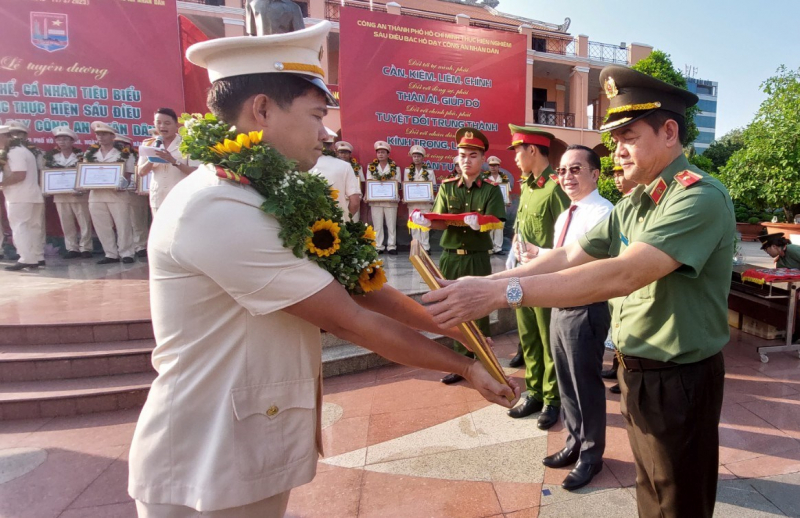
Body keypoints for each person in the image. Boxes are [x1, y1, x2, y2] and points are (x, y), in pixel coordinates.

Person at [128, 21, 518, 518]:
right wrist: (465, 367)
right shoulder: (216, 206)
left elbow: (361, 285)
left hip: (244, 440)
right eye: (316, 115)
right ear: (262, 109)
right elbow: (348, 318)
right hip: (206, 460)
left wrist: (468, 338)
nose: (327, 133)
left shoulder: (264, 193)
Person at [423, 64, 733, 518]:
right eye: (616, 140)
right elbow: (568, 255)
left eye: (629, 136)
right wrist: (481, 284)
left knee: (678, 500)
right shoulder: (634, 202)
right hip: (637, 371)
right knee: (652, 490)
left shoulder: (696, 197)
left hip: (680, 377)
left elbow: (624, 274)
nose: (619, 151)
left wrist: (503, 296)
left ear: (669, 131)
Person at [536, 145, 613, 490]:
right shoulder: (566, 213)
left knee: (585, 384)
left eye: (576, 169)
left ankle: (592, 456)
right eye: (563, 170)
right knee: (566, 382)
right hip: (560, 303)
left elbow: (581, 262)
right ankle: (574, 442)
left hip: (586, 306)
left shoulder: (603, 212)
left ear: (595, 174)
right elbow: (559, 257)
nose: (567, 176)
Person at [410, 127, 506, 384]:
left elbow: (497, 220)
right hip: (451, 256)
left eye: (473, 155)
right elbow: (442, 220)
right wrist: (427, 223)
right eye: (462, 155)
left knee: (480, 310)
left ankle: (484, 363)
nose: (467, 160)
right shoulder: (448, 187)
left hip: (476, 257)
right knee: (452, 310)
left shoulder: (490, 190)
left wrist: (481, 223)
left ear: (482, 159)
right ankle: (461, 363)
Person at [506, 125, 570, 427]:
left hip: (546, 278)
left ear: (532, 150)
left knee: (548, 340)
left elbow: (567, 240)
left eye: (517, 150)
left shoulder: (555, 188)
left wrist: (540, 252)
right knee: (529, 337)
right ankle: (534, 392)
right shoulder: (529, 186)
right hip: (522, 277)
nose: (515, 157)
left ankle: (552, 398)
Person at [603, 158, 637, 394]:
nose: (617, 179)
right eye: (614, 175)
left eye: (620, 174)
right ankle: (617, 367)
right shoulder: (622, 203)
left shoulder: (637, 203)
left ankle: (623, 372)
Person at [84, 122, 136, 264]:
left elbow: (128, 175)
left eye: (104, 134)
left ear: (112, 136)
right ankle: (110, 253)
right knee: (102, 225)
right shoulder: (90, 153)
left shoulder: (125, 154)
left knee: (123, 225)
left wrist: (121, 185)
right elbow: (85, 174)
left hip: (117, 195)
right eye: (98, 134)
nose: (101, 137)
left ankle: (127, 253)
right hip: (96, 195)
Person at [137, 108, 198, 218]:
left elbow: (195, 172)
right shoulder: (149, 144)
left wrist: (173, 161)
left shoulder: (188, 143)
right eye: (158, 123)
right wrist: (152, 160)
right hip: (158, 198)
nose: (162, 127)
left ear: (176, 125)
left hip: (180, 196)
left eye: (167, 123)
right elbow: (141, 172)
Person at [1, 125, 45, 271]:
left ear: (5, 137)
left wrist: (1, 183)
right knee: (33, 227)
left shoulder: (14, 152)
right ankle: (36, 257)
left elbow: (19, 174)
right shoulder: (23, 150)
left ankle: (26, 258)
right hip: (31, 195)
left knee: (20, 227)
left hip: (19, 196)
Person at [45, 126, 93, 259]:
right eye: (59, 140)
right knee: (66, 223)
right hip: (60, 196)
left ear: (72, 141)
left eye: (65, 139)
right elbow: (46, 176)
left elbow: (86, 174)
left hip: (79, 195)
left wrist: (83, 188)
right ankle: (72, 248)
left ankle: (86, 248)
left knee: (84, 222)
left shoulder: (81, 156)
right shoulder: (52, 157)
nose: (62, 142)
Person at [117, 135, 150, 259]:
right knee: (125, 222)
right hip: (118, 194)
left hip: (135, 192)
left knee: (138, 220)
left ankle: (141, 246)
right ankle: (127, 248)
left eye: (122, 145)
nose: (120, 147)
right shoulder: (113, 157)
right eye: (117, 144)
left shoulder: (136, 156)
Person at [366, 141, 400, 255]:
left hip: (391, 200)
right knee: (377, 225)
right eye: (379, 152)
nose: (380, 154)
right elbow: (369, 183)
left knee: (391, 225)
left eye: (383, 152)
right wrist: (367, 196)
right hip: (376, 201)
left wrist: (394, 194)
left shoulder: (395, 167)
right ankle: (378, 246)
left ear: (388, 154)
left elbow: (397, 183)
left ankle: (391, 246)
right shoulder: (371, 167)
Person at [403, 145, 436, 252]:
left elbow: (433, 186)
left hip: (426, 203)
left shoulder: (429, 172)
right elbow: (405, 186)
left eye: (418, 156)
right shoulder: (408, 171)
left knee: (425, 225)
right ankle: (416, 247)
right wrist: (406, 198)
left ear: (422, 158)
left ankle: (426, 247)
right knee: (414, 226)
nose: (416, 158)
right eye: (414, 156)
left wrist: (431, 197)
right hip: (413, 203)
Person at [312, 152, 361, 222]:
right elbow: (355, 202)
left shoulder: (305, 165)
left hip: (311, 221)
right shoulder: (345, 165)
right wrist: (346, 219)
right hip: (338, 220)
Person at [484, 156, 510, 255]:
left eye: (495, 165)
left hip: (501, 206)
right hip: (489, 205)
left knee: (499, 227)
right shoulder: (485, 178)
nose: (493, 167)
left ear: (498, 166)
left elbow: (507, 191)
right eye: (491, 165)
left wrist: (508, 200)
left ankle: (498, 248)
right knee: (489, 226)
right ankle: (489, 247)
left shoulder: (504, 177)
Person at [335, 141, 364, 222]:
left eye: (346, 153)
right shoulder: (334, 167)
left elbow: (361, 183)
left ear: (350, 154)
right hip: (339, 200)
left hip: (352, 201)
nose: (343, 155)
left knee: (353, 223)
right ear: (337, 153)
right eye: (341, 152)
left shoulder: (357, 167)